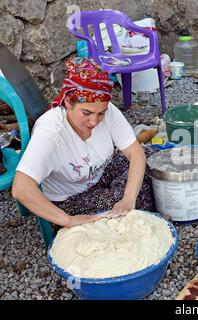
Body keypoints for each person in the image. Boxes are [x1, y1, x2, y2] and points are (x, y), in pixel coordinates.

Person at [12, 57, 157, 228]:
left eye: (100, 114)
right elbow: (21, 188)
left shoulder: (107, 110)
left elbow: (136, 154)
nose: (94, 121)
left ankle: (126, 200)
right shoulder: (51, 131)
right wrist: (67, 220)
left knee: (152, 157)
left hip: (99, 173)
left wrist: (128, 199)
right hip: (71, 198)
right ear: (68, 102)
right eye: (86, 113)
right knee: (127, 199)